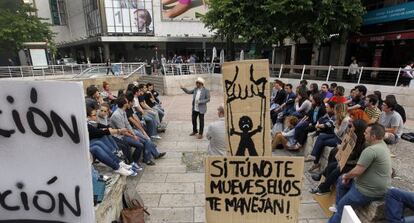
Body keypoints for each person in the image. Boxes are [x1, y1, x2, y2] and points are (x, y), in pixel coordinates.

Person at [328, 123, 392, 223]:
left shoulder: (371, 150)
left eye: (366, 133)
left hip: (366, 190)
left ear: (373, 136)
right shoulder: (382, 145)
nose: (364, 134)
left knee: (342, 206)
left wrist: (347, 175)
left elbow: (357, 171)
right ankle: (338, 207)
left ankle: (339, 212)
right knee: (341, 180)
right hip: (378, 188)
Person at [310, 119, 367, 195]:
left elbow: (358, 160)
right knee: (331, 164)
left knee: (337, 170)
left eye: (352, 127)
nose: (351, 128)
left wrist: (344, 162)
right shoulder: (353, 136)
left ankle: (323, 187)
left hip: (353, 164)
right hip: (347, 160)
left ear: (358, 129)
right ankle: (323, 180)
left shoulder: (364, 144)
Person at [306, 103, 351, 172]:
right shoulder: (340, 118)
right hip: (336, 136)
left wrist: (335, 126)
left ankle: (315, 162)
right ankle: (313, 156)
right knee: (321, 136)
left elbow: (339, 133)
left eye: (336, 110)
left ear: (339, 111)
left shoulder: (346, 120)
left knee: (322, 142)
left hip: (340, 140)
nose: (335, 112)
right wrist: (336, 127)